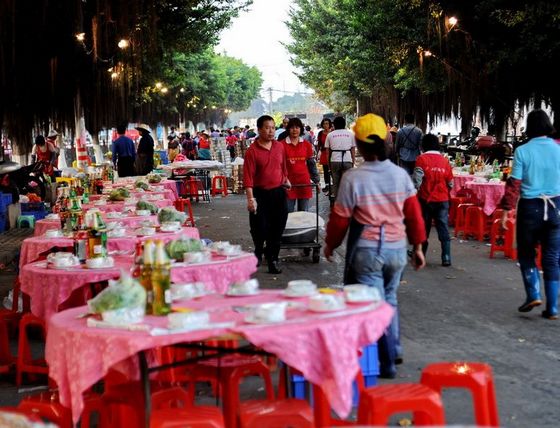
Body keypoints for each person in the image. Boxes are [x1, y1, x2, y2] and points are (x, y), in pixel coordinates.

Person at [324, 113, 426, 378]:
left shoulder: (353, 179)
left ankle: (387, 360)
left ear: (358, 144)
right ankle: (395, 347)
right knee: (389, 301)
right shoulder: (400, 175)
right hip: (396, 250)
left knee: (374, 306)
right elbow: (413, 214)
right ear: (386, 141)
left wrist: (330, 245)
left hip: (368, 251)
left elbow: (340, 220)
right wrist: (417, 247)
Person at [499, 109, 560, 320]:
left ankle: (533, 294)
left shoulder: (522, 151)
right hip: (555, 209)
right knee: (552, 259)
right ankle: (552, 308)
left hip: (530, 209)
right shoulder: (558, 149)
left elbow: (514, 183)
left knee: (526, 253)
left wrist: (506, 212)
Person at [243, 115, 290, 274]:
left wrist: (285, 179)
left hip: (278, 193)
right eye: (267, 128)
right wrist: (251, 199)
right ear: (259, 129)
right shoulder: (252, 151)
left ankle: (273, 260)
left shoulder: (279, 147)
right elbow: (248, 177)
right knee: (260, 228)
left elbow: (282, 166)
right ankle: (258, 248)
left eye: (273, 128)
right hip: (260, 194)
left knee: (277, 228)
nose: (271, 131)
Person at [413, 134, 454, 266]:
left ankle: (421, 255)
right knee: (443, 227)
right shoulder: (445, 161)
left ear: (423, 145)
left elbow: (417, 181)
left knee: (424, 228)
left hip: (426, 200)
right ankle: (446, 257)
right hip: (442, 200)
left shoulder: (421, 159)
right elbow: (450, 183)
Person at [281, 117, 320, 212]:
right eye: (292, 127)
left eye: (297, 127)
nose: (295, 130)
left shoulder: (306, 145)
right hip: (288, 184)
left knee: (304, 214)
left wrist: (317, 181)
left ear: (301, 129)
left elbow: (311, 164)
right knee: (288, 213)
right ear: (288, 129)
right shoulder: (281, 145)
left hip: (304, 183)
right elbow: (278, 166)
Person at [325, 116, 356, 199]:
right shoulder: (350, 134)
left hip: (335, 160)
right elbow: (353, 149)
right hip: (347, 159)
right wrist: (353, 161)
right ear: (344, 124)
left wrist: (328, 164)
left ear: (334, 125)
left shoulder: (330, 135)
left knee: (336, 183)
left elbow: (328, 152)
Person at [316, 118, 332, 193]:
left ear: (329, 124)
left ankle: (334, 185)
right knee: (325, 170)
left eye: (327, 123)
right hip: (324, 153)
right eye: (324, 123)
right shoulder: (320, 133)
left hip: (332, 153)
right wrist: (317, 153)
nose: (326, 125)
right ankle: (327, 185)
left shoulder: (332, 132)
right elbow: (319, 144)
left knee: (332, 170)